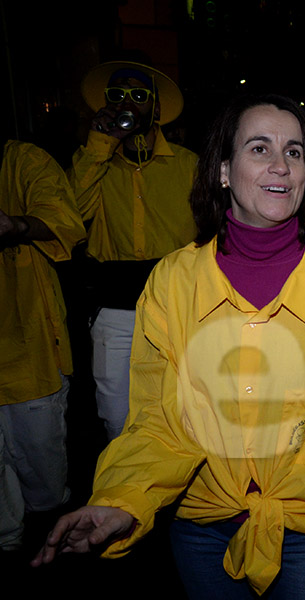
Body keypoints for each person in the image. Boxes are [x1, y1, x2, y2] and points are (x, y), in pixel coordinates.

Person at [32, 94, 305, 599]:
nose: (281, 164)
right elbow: (159, 419)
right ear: (224, 171)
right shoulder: (174, 281)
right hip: (204, 525)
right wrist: (123, 498)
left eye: (294, 152)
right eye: (260, 148)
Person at [71, 60, 198, 441]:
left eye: (139, 95)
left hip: (177, 307)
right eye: (118, 94)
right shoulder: (92, 162)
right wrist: (99, 145)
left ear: (156, 108)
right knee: (116, 417)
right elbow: (69, 217)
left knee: (181, 413)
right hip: (114, 310)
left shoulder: (189, 165)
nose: (128, 102)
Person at [1, 140, 85, 552]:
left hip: (28, 347)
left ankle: (52, 534)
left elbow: (66, 219)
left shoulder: (23, 160)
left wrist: (16, 225)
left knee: (43, 471)